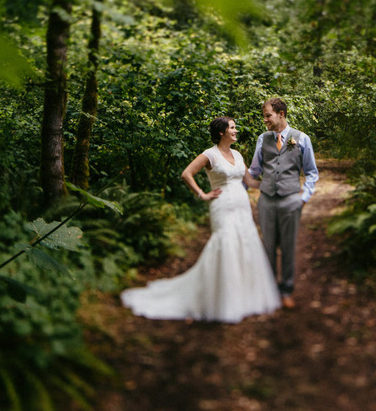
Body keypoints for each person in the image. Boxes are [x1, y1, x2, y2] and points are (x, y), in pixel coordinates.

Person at [120, 117, 281, 323]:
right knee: (225, 245)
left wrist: (270, 184)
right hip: (221, 206)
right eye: (232, 128)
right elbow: (187, 174)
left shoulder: (238, 155)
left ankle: (244, 296)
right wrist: (202, 194)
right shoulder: (210, 154)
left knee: (245, 245)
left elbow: (249, 181)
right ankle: (221, 299)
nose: (236, 130)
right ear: (222, 132)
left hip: (242, 206)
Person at [247, 97, 319, 310]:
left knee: (288, 247)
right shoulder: (262, 139)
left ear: (281, 114)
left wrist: (303, 198)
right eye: (264, 116)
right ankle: (268, 291)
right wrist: (235, 184)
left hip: (290, 201)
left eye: (268, 115)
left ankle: (286, 290)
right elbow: (254, 171)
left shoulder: (302, 138)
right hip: (267, 201)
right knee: (268, 246)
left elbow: (312, 172)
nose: (265, 120)